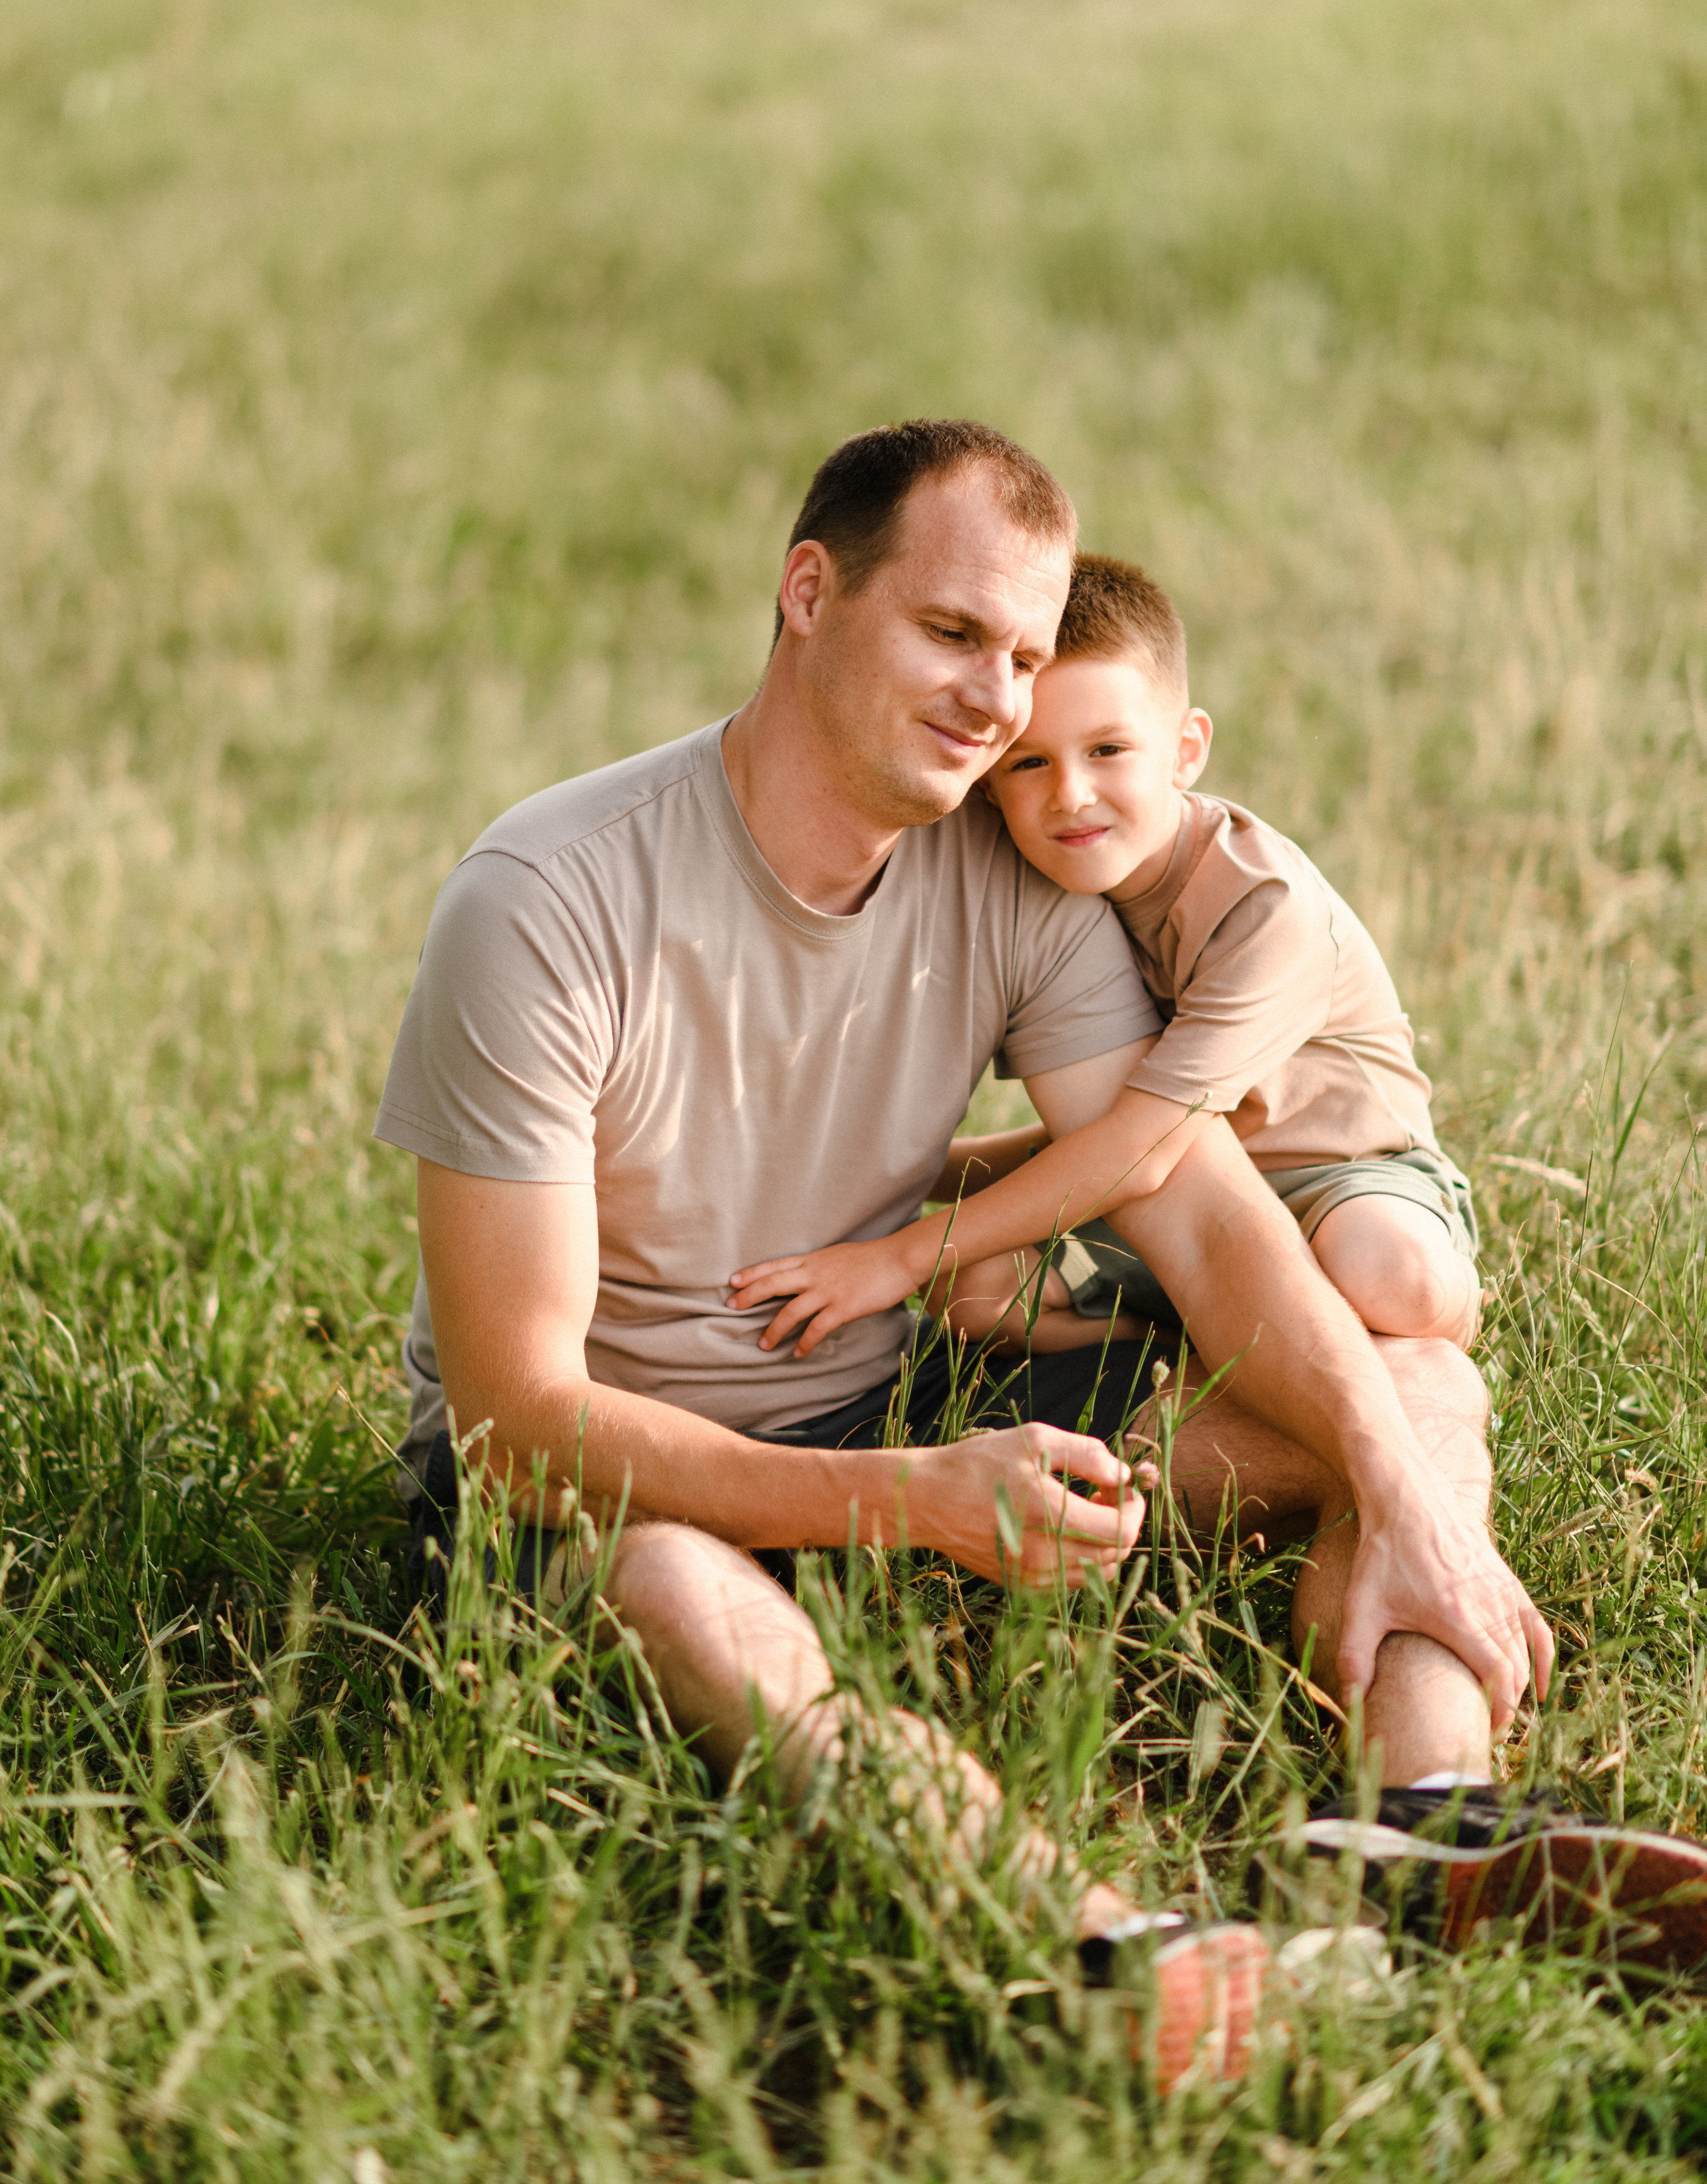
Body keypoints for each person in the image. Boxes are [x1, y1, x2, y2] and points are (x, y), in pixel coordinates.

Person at [371, 420, 1680, 2087]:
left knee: (1405, 1383)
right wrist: (913, 1499)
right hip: (622, 1464)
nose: (998, 698)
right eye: (948, 634)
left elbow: (1197, 1208)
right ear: (806, 594)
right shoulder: (546, 898)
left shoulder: (1010, 878)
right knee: (667, 1570)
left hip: (891, 1403)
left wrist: (1406, 1506)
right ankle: (1097, 1943)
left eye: (1024, 654)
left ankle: (1433, 1825)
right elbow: (511, 1421)